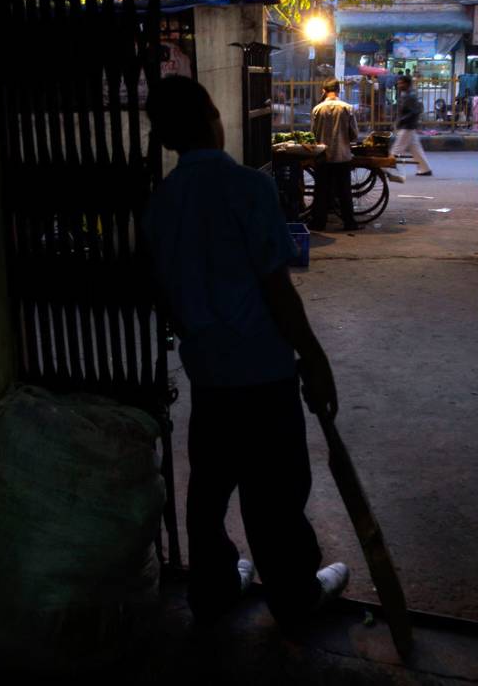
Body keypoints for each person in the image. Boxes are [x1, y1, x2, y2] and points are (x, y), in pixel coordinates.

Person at [142, 76, 350, 628]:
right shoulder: (248, 189)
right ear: (215, 116)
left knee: (208, 489)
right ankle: (293, 594)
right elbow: (276, 289)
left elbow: (163, 295)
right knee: (275, 494)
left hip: (209, 373)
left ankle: (212, 589)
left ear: (165, 140)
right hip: (264, 371)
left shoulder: (160, 204)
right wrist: (314, 357)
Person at [309, 78, 361, 232]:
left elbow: (313, 135)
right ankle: (349, 223)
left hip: (323, 156)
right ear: (338, 91)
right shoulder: (347, 108)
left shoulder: (317, 109)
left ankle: (318, 223)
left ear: (323, 91)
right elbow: (354, 134)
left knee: (321, 191)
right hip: (342, 156)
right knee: (344, 190)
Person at [390, 75, 434, 177]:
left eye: (401, 83)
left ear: (407, 84)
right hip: (408, 125)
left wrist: (400, 121)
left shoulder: (410, 96)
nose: (399, 85)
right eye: (399, 83)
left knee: (396, 149)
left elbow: (413, 112)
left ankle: (386, 169)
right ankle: (425, 169)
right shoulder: (407, 94)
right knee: (416, 149)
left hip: (407, 126)